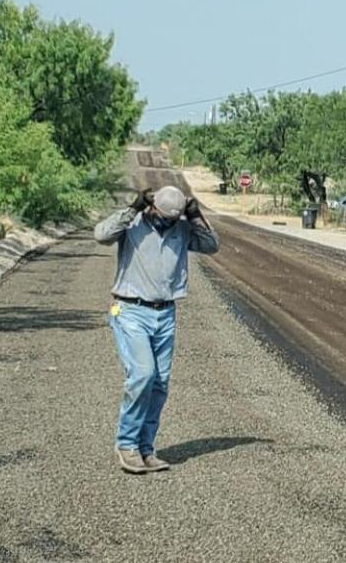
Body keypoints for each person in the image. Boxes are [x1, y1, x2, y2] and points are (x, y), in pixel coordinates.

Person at [94, 186, 220, 474]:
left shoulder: (182, 230)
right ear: (151, 207)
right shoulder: (133, 224)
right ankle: (126, 444)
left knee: (160, 383)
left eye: (173, 219)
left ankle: (145, 448)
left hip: (165, 313)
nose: (167, 222)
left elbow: (212, 245)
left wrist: (197, 215)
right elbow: (101, 234)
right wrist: (132, 208)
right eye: (163, 216)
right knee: (142, 374)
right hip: (130, 310)